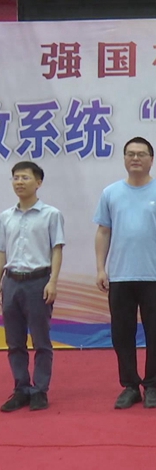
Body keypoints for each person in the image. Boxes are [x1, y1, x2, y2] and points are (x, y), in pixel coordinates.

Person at [94, 136, 156, 409]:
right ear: (124, 158)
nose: (135, 158)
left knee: (155, 333)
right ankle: (130, 385)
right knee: (122, 334)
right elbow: (103, 231)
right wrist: (101, 268)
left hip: (155, 275)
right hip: (120, 275)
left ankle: (152, 385)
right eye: (130, 154)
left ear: (151, 159)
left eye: (141, 154)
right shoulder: (111, 193)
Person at [0, 162, 64, 412]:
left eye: (25, 178)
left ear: (38, 183)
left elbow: (56, 250)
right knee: (14, 341)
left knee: (41, 340)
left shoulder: (51, 214)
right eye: (15, 178)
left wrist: (53, 281)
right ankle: (21, 388)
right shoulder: (5, 216)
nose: (19, 182)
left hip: (38, 281)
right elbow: (2, 253)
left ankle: (39, 390)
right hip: (11, 281)